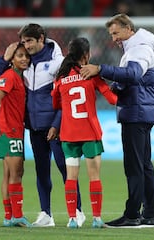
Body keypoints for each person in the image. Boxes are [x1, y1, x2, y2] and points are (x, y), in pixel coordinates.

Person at [0, 23, 85, 227]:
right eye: (23, 42)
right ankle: (46, 214)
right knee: (42, 171)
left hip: (55, 127)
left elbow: (67, 96)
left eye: (29, 41)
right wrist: (3, 59)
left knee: (65, 168)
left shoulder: (57, 62)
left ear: (41, 38)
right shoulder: (23, 63)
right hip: (34, 128)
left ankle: (76, 211)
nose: (26, 46)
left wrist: (56, 124)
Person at [80, 13, 154, 228]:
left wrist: (101, 69)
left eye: (116, 33)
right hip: (141, 111)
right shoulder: (136, 49)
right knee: (143, 165)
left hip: (136, 113)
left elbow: (133, 74)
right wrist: (110, 86)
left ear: (128, 28)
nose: (113, 38)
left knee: (135, 166)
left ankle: (133, 215)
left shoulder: (139, 49)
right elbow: (132, 81)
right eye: (111, 34)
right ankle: (149, 215)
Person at [51, 37, 117, 228]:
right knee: (94, 177)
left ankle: (72, 218)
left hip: (69, 135)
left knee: (71, 177)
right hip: (89, 132)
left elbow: (55, 104)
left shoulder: (60, 78)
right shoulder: (92, 74)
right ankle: (96, 219)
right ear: (86, 55)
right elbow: (112, 100)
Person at [0, 42, 31, 227]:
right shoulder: (9, 76)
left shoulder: (18, 78)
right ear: (12, 59)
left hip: (11, 130)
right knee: (17, 173)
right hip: (10, 131)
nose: (24, 59)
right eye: (20, 55)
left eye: (26, 55)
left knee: (8, 174)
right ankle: (18, 215)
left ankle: (9, 216)